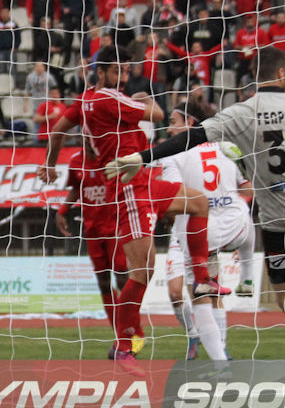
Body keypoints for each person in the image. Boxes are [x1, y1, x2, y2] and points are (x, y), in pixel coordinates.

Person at [107, 46, 285, 365]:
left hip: (276, 221)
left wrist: (142, 157)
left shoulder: (243, 112)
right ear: (282, 74)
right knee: (258, 260)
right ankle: (244, 282)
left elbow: (191, 137)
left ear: (254, 78)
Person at [39, 46, 223, 371]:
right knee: (142, 271)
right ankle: (125, 346)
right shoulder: (107, 98)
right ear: (102, 72)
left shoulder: (83, 103)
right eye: (118, 72)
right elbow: (158, 115)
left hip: (145, 180)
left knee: (198, 202)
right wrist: (146, 99)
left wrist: (50, 165)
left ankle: (202, 278)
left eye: (126, 71)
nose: (123, 78)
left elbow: (55, 133)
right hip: (129, 188)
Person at [159, 101, 256, 362]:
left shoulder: (174, 156)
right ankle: (196, 335)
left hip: (195, 234)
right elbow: (249, 191)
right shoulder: (226, 149)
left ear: (190, 123)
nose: (169, 129)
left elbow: (173, 198)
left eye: (174, 121)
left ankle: (220, 353)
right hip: (210, 231)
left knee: (205, 295)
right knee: (175, 292)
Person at [56, 145, 145, 355]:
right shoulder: (76, 161)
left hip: (115, 227)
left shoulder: (112, 157)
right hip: (93, 230)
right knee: (104, 283)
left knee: (123, 278)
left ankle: (135, 332)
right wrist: (63, 209)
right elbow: (77, 187)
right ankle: (120, 337)